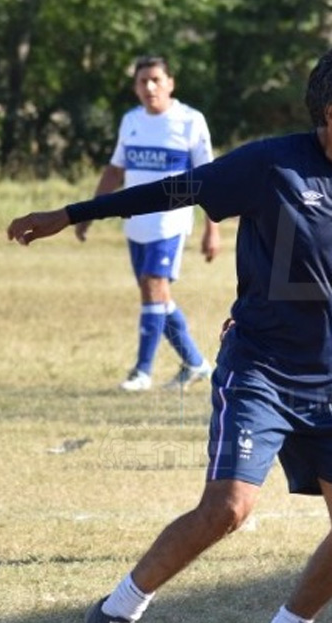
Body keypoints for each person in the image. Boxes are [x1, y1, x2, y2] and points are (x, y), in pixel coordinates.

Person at [7, 44, 332, 623]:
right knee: (228, 508)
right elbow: (176, 189)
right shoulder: (270, 165)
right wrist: (73, 214)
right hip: (261, 371)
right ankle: (118, 610)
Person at [76, 55, 220, 392]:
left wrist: (211, 229)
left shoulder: (190, 121)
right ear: (135, 87)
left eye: (156, 79)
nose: (150, 87)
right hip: (135, 222)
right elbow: (115, 170)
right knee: (154, 294)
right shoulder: (131, 121)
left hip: (169, 221)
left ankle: (142, 372)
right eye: (143, 81)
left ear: (171, 83)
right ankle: (196, 362)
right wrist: (89, 212)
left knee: (155, 287)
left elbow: (210, 179)